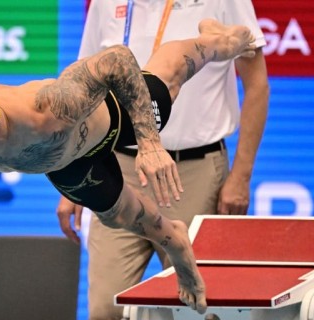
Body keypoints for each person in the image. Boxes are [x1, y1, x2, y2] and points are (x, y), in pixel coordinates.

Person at [0, 17, 257, 314]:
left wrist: (149, 143)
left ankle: (219, 41)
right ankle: (177, 240)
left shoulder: (47, 110)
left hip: (111, 120)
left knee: (168, 79)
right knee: (121, 216)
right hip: (65, 164)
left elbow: (117, 59)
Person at [55, 0, 269, 319]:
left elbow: (257, 86)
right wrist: (73, 174)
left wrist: (241, 176)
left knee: (195, 309)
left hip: (193, 173)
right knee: (104, 309)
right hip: (119, 169)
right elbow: (84, 91)